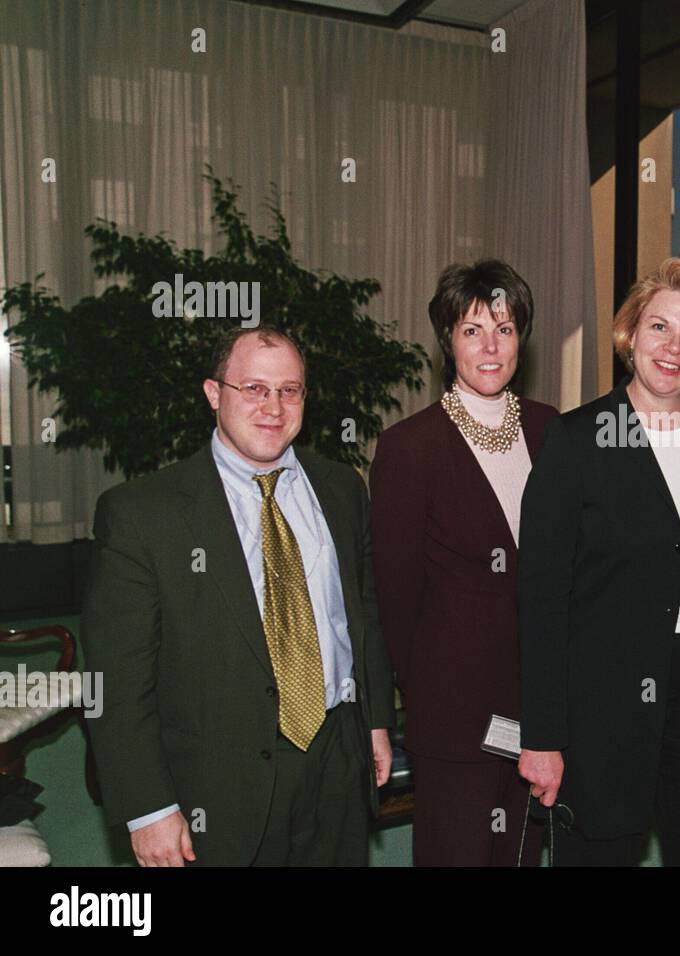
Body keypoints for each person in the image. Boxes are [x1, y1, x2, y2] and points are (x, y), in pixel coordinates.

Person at [82, 327, 395, 866]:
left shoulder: (343, 490)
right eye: (253, 388)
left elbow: (362, 614)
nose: (273, 406)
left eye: (289, 390)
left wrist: (375, 721)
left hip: (337, 761)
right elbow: (115, 679)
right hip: (218, 783)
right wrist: (148, 807)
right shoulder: (143, 514)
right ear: (213, 393)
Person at [516, 257, 680, 866]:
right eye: (659, 328)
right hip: (600, 716)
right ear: (630, 334)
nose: (673, 348)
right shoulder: (572, 442)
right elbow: (541, 600)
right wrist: (542, 738)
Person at [369, 259, 557, 866]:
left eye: (504, 329)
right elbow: (395, 600)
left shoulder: (552, 430)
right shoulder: (408, 449)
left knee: (522, 855)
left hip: (540, 704)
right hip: (454, 713)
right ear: (447, 340)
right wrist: (429, 690)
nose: (490, 346)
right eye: (472, 330)